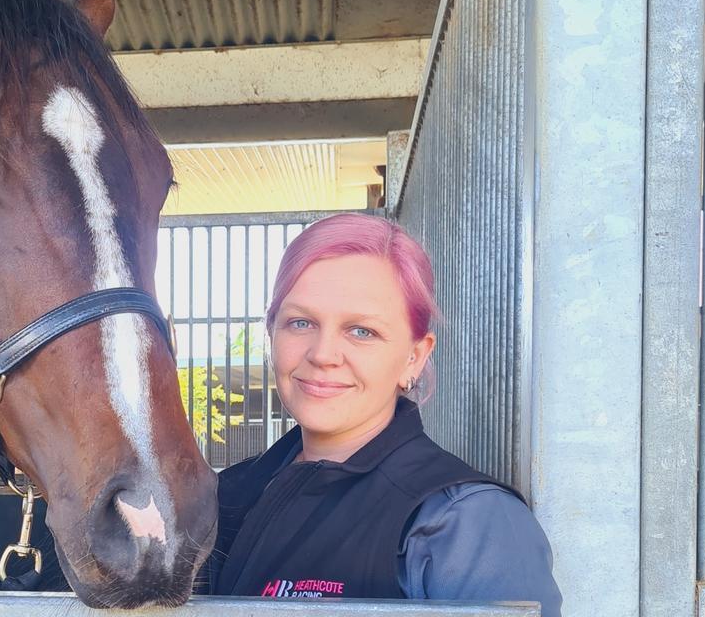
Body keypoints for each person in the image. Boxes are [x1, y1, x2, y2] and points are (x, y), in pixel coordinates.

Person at [204, 213, 561, 615]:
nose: (322, 354)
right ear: (272, 333)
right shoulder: (223, 495)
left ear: (415, 356)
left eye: (362, 331)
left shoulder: (466, 524)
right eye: (300, 322)